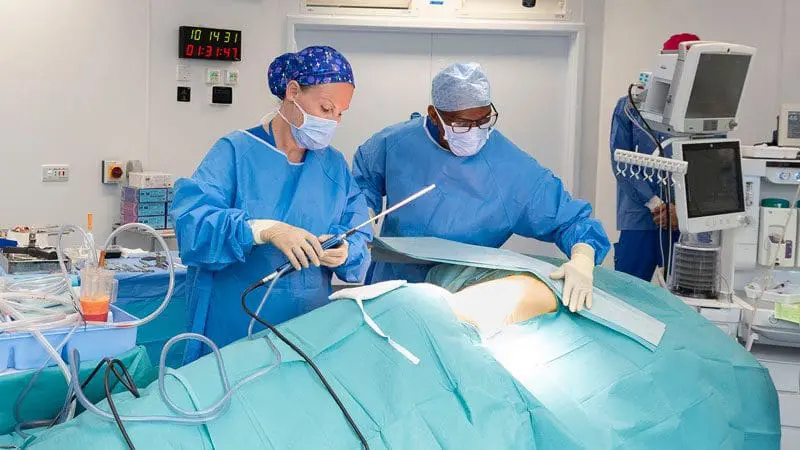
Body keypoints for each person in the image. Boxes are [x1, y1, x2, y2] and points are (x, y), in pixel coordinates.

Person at [353, 62, 610, 312]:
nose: (475, 131)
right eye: (463, 124)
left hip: (462, 294)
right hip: (392, 284)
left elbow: (570, 220)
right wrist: (363, 217)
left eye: (485, 120)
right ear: (434, 114)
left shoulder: (509, 166)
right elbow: (363, 181)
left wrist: (583, 258)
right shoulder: (396, 144)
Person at [171, 46, 372, 360]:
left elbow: (358, 229)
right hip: (234, 326)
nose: (333, 121)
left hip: (307, 330)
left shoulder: (332, 166)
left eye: (340, 114)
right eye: (325, 108)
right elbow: (192, 224)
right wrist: (263, 229)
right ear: (293, 91)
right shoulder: (236, 152)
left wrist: (346, 250)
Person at [610, 33, 699, 281]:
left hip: (684, 221)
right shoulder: (631, 106)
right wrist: (655, 204)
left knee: (684, 296)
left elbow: (711, 167)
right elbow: (621, 162)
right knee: (627, 295)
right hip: (641, 216)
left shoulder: (708, 114)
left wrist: (681, 211)